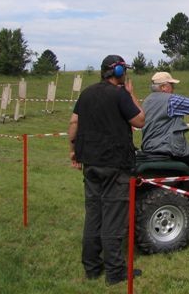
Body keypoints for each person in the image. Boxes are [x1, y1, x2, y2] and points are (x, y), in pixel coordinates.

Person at [67, 55, 145, 285]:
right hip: (115, 165)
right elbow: (140, 120)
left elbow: (73, 123)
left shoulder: (87, 93)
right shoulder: (120, 94)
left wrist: (72, 150)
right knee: (113, 219)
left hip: (90, 164)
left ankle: (91, 268)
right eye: (124, 71)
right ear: (118, 72)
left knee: (94, 216)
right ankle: (115, 272)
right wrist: (131, 94)